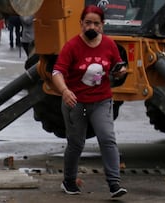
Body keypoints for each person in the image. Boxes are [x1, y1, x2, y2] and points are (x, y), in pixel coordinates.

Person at [51, 5, 128, 198]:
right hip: (75, 102)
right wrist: (65, 90)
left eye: (95, 23)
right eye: (87, 23)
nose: (91, 27)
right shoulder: (71, 46)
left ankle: (114, 184)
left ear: (102, 25)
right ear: (81, 24)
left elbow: (118, 68)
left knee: (107, 137)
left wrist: (120, 72)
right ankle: (69, 181)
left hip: (102, 100)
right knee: (76, 143)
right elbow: (57, 72)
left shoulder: (110, 45)